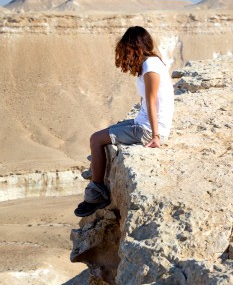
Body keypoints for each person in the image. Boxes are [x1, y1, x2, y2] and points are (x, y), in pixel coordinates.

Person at [74, 26, 174, 217]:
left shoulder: (151, 67)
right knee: (102, 135)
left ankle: (96, 195)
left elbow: (152, 102)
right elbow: (145, 100)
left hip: (145, 129)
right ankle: (97, 190)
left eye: (126, 47)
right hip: (141, 123)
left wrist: (155, 136)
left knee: (96, 139)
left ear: (134, 46)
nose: (124, 53)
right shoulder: (149, 64)